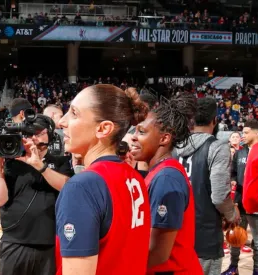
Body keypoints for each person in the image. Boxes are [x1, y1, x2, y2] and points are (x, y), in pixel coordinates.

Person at [55, 85, 151, 275]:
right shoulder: (135, 177)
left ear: (103, 128)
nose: (62, 122)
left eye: (74, 113)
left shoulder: (82, 187)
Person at [0, 99, 73, 275]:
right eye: (30, 132)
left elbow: (68, 188)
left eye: (39, 132)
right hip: (14, 243)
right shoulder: (12, 163)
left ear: (49, 135)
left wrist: (38, 165)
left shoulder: (60, 162)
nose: (34, 136)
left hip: (48, 243)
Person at [131, 93, 203, 274]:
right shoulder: (158, 172)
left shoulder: (166, 179)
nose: (133, 137)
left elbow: (158, 253)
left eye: (141, 131)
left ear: (164, 138)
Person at [174, 97, 239, 275]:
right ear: (214, 120)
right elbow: (219, 196)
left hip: (175, 234)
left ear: (191, 121)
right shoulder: (217, 147)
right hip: (204, 235)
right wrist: (232, 214)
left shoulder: (174, 147)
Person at [222, 119, 258, 275]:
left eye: (246, 132)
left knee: (256, 240)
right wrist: (233, 180)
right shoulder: (240, 152)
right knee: (236, 235)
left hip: (255, 202)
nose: (243, 135)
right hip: (240, 200)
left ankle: (256, 270)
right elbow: (233, 173)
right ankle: (233, 267)